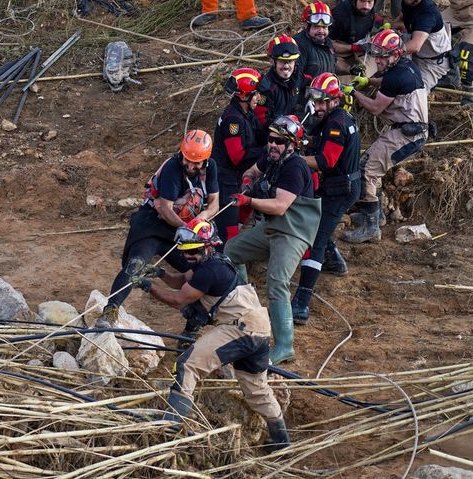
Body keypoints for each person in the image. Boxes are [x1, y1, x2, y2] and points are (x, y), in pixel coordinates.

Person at [131, 218, 289, 451]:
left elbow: (178, 299)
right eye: (185, 252)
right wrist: (159, 273)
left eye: (193, 252)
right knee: (256, 388)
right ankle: (280, 438)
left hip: (240, 329)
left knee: (188, 364)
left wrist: (148, 286)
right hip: (260, 330)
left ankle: (173, 422)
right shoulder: (211, 263)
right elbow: (181, 281)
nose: (188, 257)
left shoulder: (209, 271)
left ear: (207, 246)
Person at [224, 115, 321, 364]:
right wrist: (247, 182)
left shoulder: (296, 167)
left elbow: (279, 206)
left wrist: (249, 200)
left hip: (293, 232)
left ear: (292, 145)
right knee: (231, 252)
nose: (273, 145)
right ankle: (247, 310)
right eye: (270, 139)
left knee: (277, 282)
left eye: (279, 141)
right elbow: (252, 170)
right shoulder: (272, 157)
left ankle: (284, 345)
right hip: (271, 228)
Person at [99, 130, 219, 325]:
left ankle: (194, 324)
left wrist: (201, 220)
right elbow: (166, 209)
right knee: (135, 264)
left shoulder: (211, 167)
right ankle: (110, 310)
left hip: (186, 229)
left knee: (201, 270)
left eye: (196, 163)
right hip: (154, 224)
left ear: (205, 161)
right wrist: (186, 229)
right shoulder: (173, 167)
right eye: (187, 160)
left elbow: (215, 203)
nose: (190, 166)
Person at [341, 30, 428, 244]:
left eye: (382, 56)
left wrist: (353, 93)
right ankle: (376, 215)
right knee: (372, 168)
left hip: (407, 134)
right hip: (409, 130)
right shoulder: (404, 67)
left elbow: (374, 108)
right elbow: (386, 83)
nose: (377, 60)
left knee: (366, 170)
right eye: (376, 55)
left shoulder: (396, 75)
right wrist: (368, 82)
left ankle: (371, 227)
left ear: (395, 54)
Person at [292, 73, 361, 324]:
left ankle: (302, 302)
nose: (317, 106)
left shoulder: (336, 124)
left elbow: (324, 161)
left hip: (340, 188)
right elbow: (322, 146)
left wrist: (294, 159)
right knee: (320, 227)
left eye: (322, 102)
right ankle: (335, 262)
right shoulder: (338, 119)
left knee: (315, 240)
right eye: (315, 101)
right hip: (339, 185)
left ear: (335, 101)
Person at [213, 67, 264, 242]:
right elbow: (238, 157)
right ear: (243, 96)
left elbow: (260, 134)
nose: (259, 98)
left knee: (245, 209)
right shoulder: (233, 120)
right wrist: (265, 153)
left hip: (236, 178)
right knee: (229, 233)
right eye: (255, 94)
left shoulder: (246, 113)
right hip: (226, 180)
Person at [396, 0, 452, 91]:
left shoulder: (427, 12)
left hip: (432, 63)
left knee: (414, 93)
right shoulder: (409, 1)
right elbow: (400, 19)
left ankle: (446, 77)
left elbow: (415, 45)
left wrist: (390, 51)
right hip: (416, 55)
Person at [254, 34, 304, 140]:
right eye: (281, 61)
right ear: (272, 62)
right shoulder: (266, 88)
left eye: (290, 62)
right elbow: (262, 120)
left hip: (292, 134)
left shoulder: (297, 76)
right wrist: (286, 129)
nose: (286, 66)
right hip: (272, 140)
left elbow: (309, 81)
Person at [331, 0, 384, 73]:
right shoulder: (340, 17)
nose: (366, 6)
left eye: (370, 2)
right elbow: (328, 46)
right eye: (362, 1)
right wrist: (356, 48)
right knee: (353, 79)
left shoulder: (370, 8)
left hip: (362, 47)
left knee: (375, 69)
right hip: (339, 54)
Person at [293, 1, 336, 80]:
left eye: (324, 27)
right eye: (316, 27)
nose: (321, 31)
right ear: (307, 26)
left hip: (326, 90)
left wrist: (350, 69)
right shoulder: (298, 45)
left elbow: (333, 64)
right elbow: (295, 78)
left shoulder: (327, 42)